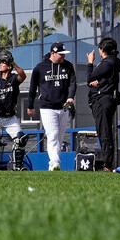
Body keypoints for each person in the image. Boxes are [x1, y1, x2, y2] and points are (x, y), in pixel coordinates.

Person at [27, 42, 77, 171]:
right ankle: (55, 162)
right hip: (47, 107)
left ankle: (53, 165)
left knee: (60, 137)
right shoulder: (40, 68)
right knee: (52, 134)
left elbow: (72, 83)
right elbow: (32, 89)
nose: (63, 57)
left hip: (64, 106)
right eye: (61, 54)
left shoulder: (68, 66)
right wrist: (30, 106)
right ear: (52, 53)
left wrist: (71, 97)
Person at [86, 37, 120, 170]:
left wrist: (90, 63)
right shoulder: (111, 63)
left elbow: (90, 78)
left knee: (104, 131)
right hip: (107, 98)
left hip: (103, 100)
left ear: (102, 50)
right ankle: (108, 162)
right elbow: (95, 81)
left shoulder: (107, 63)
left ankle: (108, 164)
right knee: (104, 130)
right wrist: (98, 82)